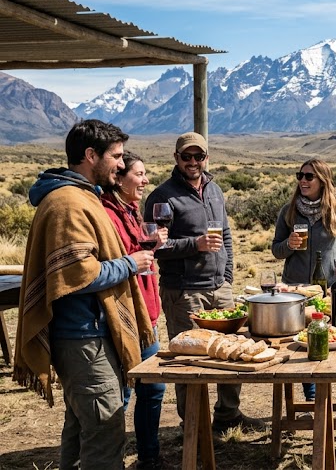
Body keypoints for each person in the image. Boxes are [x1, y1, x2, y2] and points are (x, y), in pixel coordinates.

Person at [13, 120, 156, 469]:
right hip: (83, 338)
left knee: (81, 429)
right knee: (105, 433)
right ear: (91, 155)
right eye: (116, 157)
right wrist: (129, 264)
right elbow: (78, 274)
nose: (121, 165)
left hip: (88, 334)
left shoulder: (79, 196)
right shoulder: (68, 203)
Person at [144, 132, 264, 434]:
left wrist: (227, 278)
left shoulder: (215, 190)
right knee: (187, 359)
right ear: (176, 159)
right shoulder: (162, 197)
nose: (193, 162)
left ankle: (228, 414)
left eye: (199, 156)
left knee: (232, 352)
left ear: (206, 158)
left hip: (219, 289)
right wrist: (194, 244)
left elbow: (225, 237)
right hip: (184, 292)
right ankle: (193, 426)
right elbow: (155, 247)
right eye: (187, 157)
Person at [271, 159, 336, 404]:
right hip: (295, 290)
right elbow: (276, 250)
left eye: (309, 176)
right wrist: (288, 245)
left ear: (323, 180)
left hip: (329, 291)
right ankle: (311, 401)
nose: (303, 180)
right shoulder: (288, 211)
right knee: (303, 344)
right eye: (300, 175)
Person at [101, 151, 168, 470]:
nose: (145, 180)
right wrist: (146, 248)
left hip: (147, 316)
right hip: (126, 316)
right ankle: (106, 458)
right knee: (124, 393)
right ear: (119, 177)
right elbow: (116, 259)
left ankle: (148, 456)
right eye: (138, 174)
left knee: (153, 386)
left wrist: (151, 244)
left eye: (145, 174)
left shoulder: (131, 212)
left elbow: (139, 255)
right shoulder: (107, 214)